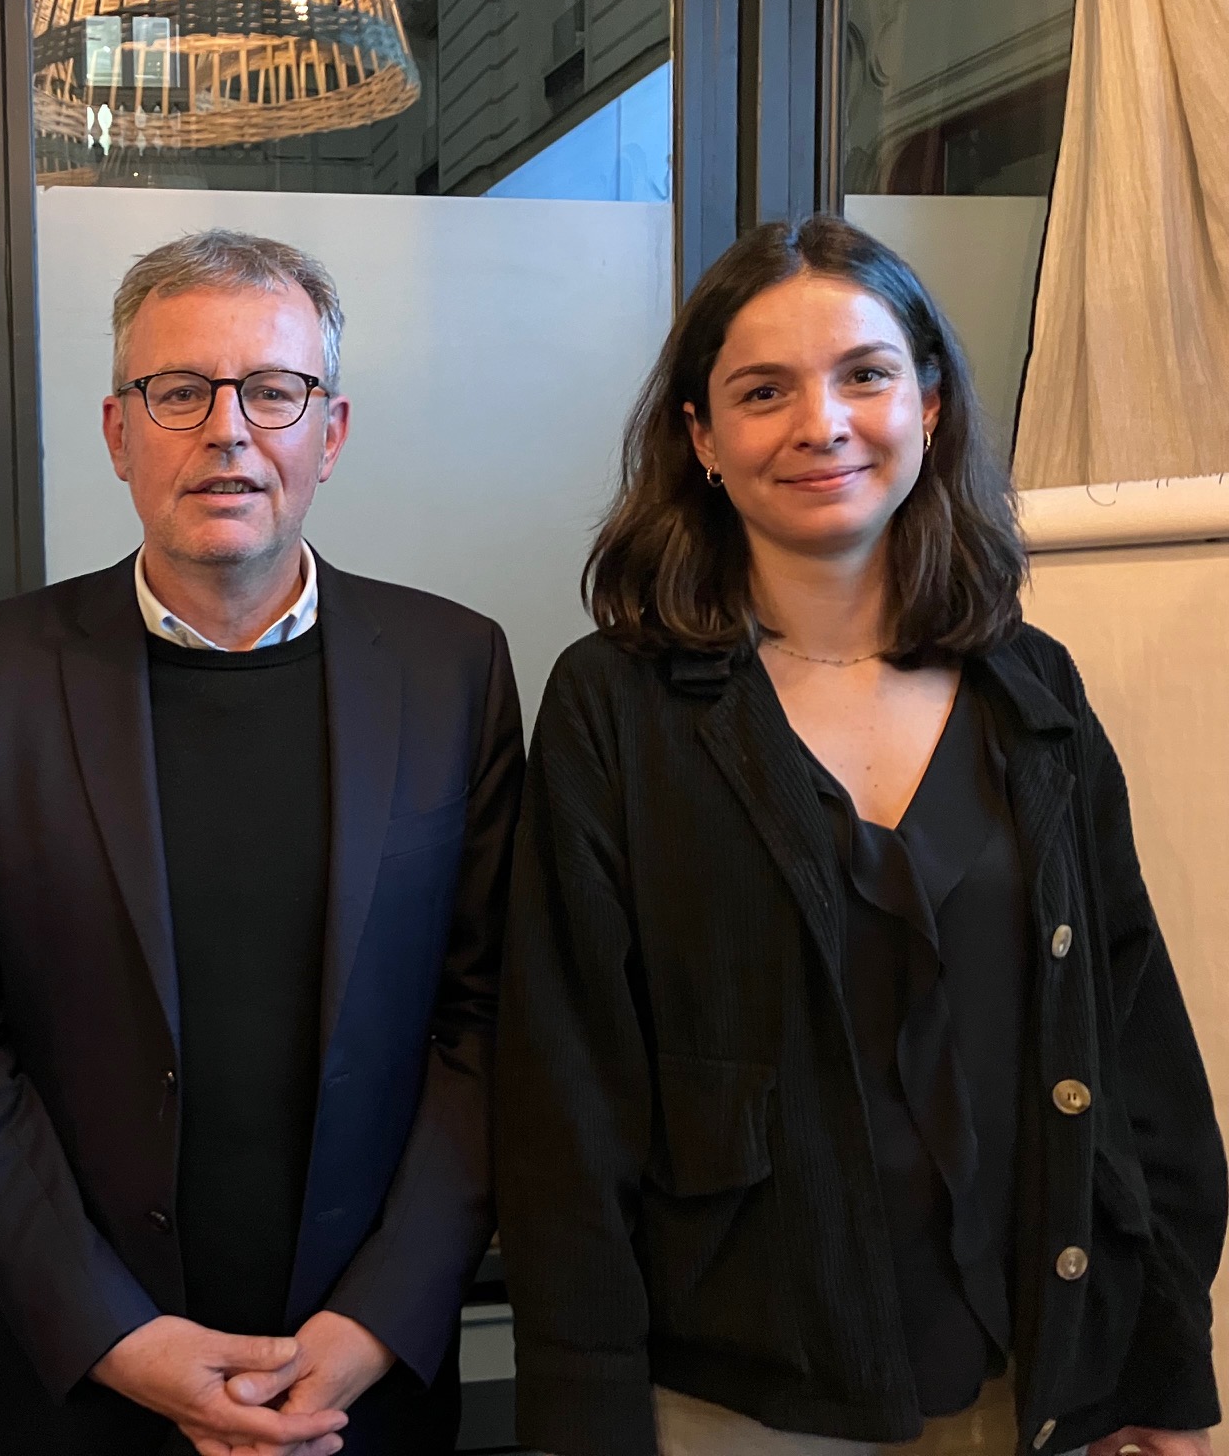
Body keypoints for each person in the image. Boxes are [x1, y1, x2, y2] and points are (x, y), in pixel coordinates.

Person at [497, 214, 1226, 1456]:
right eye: (763, 390)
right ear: (703, 439)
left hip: (1033, 1370)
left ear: (930, 405)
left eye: (866, 374)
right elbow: (566, 1103)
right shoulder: (612, 707)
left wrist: (1157, 1359)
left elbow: (1133, 1031)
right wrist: (584, 1415)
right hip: (741, 1393)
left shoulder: (1032, 687)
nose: (820, 423)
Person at [0, 229, 523, 1456]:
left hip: (358, 1387)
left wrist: (377, 1322)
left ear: (327, 434)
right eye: (180, 392)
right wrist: (113, 1334)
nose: (228, 429)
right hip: (73, 1386)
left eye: (272, 391)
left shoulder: (453, 670)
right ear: (121, 432)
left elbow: (488, 1019)